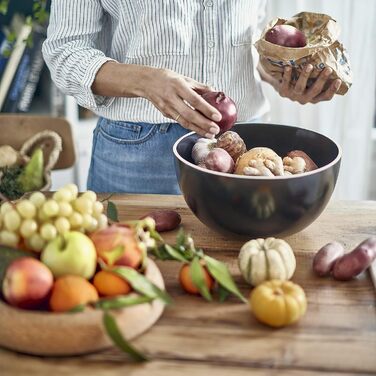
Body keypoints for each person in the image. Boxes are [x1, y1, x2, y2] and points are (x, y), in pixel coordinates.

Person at [42, 1, 341, 194]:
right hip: (137, 155)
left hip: (246, 149)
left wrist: (283, 75)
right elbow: (65, 51)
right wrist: (147, 81)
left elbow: (248, 40)